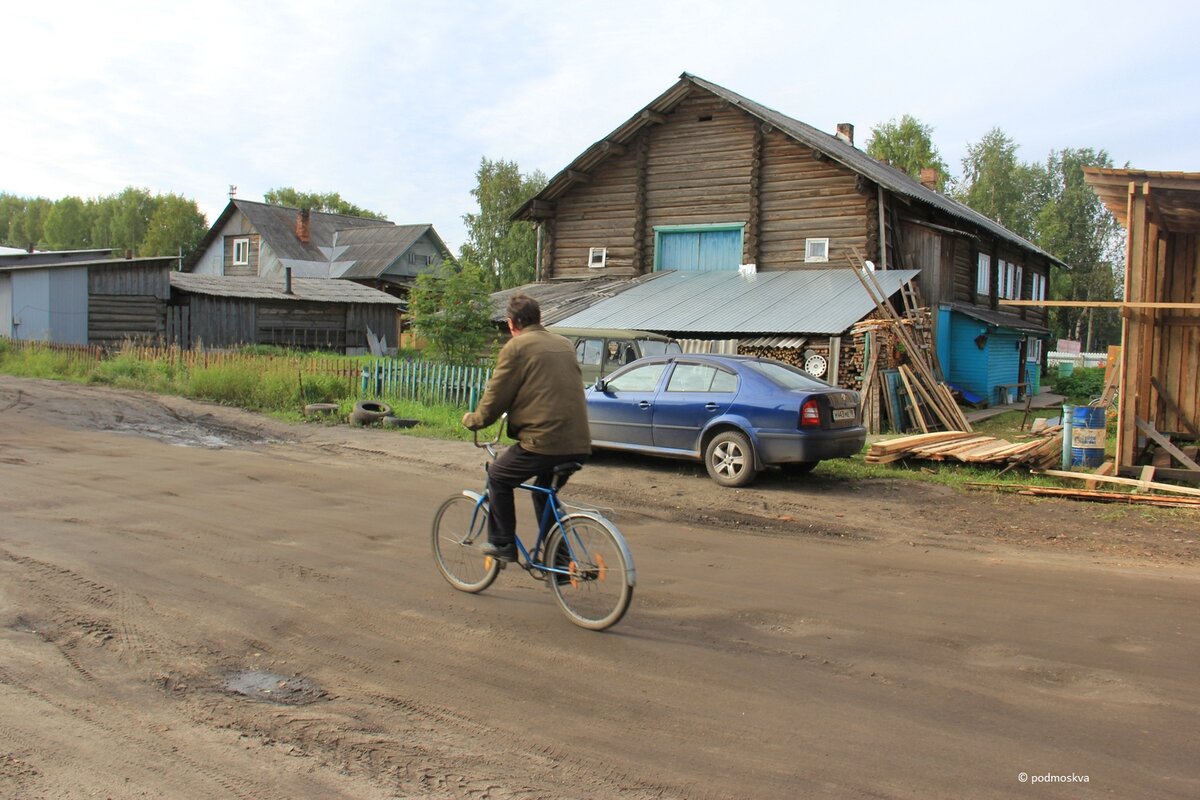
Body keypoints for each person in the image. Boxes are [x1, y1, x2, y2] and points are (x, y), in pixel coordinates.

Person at [461, 294, 591, 562]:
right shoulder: (564, 344)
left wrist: (474, 420)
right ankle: (562, 563)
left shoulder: (516, 347)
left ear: (511, 324)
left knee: (497, 475)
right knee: (544, 495)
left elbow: (496, 396)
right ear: (538, 318)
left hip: (543, 442)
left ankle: (503, 544)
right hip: (578, 443)